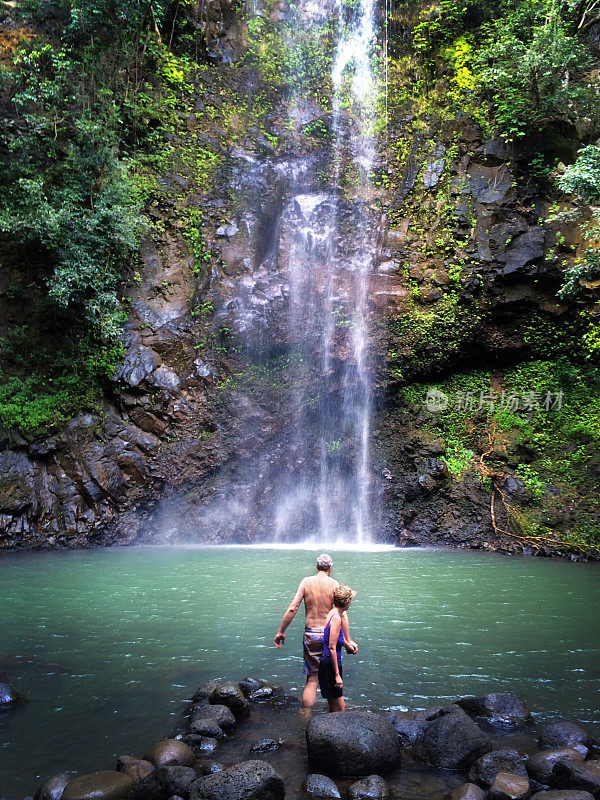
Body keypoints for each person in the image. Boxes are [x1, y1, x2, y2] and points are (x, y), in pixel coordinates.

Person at [273, 553, 358, 709]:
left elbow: (293, 608)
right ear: (330, 568)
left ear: (316, 567)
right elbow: (342, 613)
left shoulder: (306, 582)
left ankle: (305, 717)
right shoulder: (334, 584)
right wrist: (348, 640)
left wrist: (281, 631)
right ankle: (336, 716)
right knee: (332, 676)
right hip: (328, 634)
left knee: (312, 679)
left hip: (311, 635)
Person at [318, 584, 356, 712]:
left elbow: (333, 638)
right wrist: (337, 675)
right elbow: (332, 647)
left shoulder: (333, 612)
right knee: (339, 709)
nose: (351, 602)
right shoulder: (336, 619)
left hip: (327, 663)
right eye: (350, 599)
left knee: (337, 707)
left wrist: (347, 645)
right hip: (330, 665)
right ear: (347, 602)